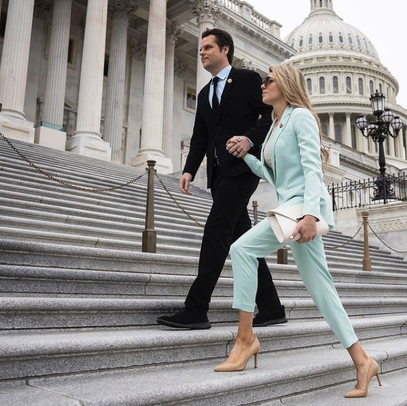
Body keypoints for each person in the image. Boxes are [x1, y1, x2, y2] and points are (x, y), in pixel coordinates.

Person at [217, 64, 382, 399]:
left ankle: (245, 339)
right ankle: (363, 361)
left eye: (269, 80)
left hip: (301, 208)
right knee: (322, 290)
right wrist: (247, 153)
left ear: (286, 84)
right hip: (289, 204)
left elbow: (312, 170)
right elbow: (275, 176)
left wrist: (309, 214)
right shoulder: (277, 124)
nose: (263, 86)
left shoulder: (301, 117)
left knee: (242, 249)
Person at [156, 29, 286, 330]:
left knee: (216, 231)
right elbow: (201, 135)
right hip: (218, 175)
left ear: (224, 49)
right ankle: (271, 307)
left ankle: (196, 308)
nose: (201, 52)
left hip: (241, 170)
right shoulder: (204, 93)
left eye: (208, 47)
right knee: (243, 238)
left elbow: (270, 115)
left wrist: (249, 140)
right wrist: (189, 169)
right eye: (201, 48)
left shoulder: (246, 79)